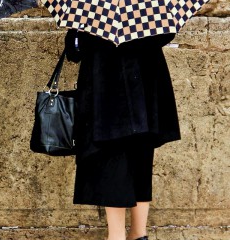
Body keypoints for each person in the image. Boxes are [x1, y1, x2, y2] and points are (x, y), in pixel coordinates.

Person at [64, 29, 181, 240]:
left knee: (116, 160)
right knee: (138, 160)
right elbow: (166, 33)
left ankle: (120, 236)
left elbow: (75, 49)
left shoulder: (93, 1)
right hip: (142, 87)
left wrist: (88, 36)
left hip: (109, 89)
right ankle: (137, 234)